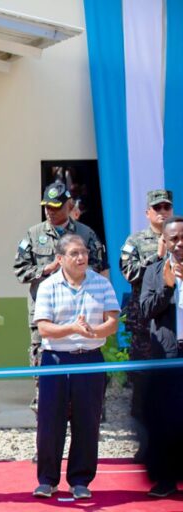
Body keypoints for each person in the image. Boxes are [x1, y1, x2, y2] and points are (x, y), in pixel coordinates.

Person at [31, 234, 119, 500]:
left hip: (90, 359)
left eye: (83, 253)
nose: (81, 258)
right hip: (56, 360)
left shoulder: (101, 283)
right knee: (49, 421)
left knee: (87, 420)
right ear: (60, 259)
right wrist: (72, 329)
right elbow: (43, 327)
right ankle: (47, 480)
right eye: (74, 254)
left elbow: (113, 321)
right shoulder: (48, 286)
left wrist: (94, 333)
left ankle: (80, 479)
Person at [13, 181, 108, 415]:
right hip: (44, 316)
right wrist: (46, 270)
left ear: (69, 205)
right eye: (47, 206)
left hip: (82, 313)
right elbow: (19, 270)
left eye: (56, 206)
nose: (50, 211)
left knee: (82, 375)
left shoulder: (86, 234)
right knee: (43, 374)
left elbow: (100, 268)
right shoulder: (34, 235)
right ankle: (46, 431)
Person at [120, 189, 174, 463]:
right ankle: (145, 446)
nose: (162, 212)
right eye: (157, 208)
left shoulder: (179, 236)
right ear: (147, 213)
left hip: (173, 325)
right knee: (142, 387)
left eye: (166, 207)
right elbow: (128, 272)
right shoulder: (136, 241)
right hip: (145, 325)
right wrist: (158, 257)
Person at [139, 215, 183, 497]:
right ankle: (166, 480)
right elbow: (145, 311)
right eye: (173, 239)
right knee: (168, 419)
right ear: (163, 242)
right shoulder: (154, 272)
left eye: (182, 238)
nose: (178, 244)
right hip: (168, 355)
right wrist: (167, 288)